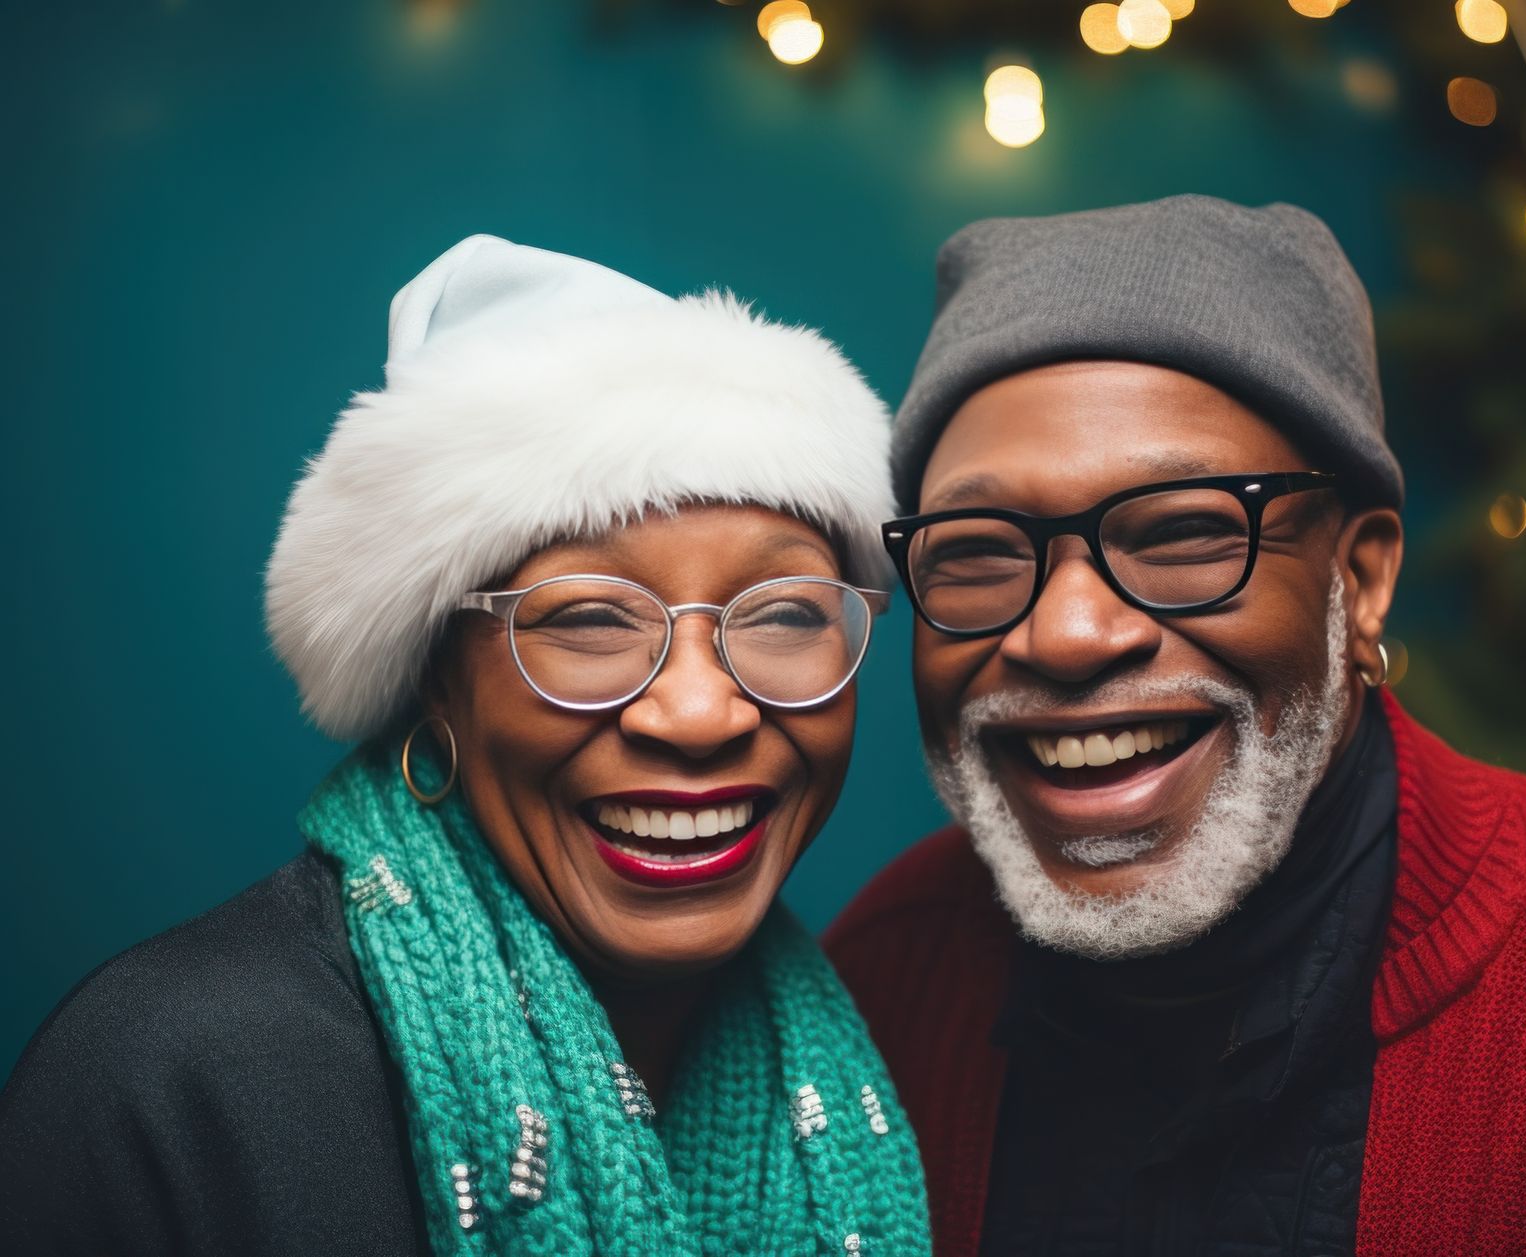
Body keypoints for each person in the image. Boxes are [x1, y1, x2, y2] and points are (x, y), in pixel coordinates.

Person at [825, 195, 1526, 1254]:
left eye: (1184, 535)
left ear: (1361, 579)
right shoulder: (870, 1002)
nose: (1065, 634)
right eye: (974, 553)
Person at [0, 236, 931, 1256]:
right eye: (588, 619)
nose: (701, 713)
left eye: (786, 614)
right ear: (437, 677)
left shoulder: (918, 1032)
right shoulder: (177, 1077)